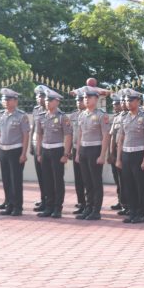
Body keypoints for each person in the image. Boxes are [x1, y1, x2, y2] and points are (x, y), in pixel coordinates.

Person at [116, 89, 144, 224]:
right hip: (126, 154)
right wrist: (118, 158)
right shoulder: (124, 117)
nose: (128, 103)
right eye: (126, 100)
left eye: (131, 100)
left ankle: (141, 213)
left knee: (140, 186)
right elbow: (121, 139)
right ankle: (132, 212)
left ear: (138, 101)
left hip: (139, 155)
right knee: (128, 186)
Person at [73, 86, 110, 221]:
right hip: (83, 150)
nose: (86, 100)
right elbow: (80, 135)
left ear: (96, 99)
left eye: (89, 97)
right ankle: (88, 208)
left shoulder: (101, 115)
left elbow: (106, 135)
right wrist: (77, 153)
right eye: (84, 98)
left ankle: (96, 210)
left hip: (95, 150)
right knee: (86, 182)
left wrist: (102, 155)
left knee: (96, 182)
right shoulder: (82, 115)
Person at [35, 88, 72, 219]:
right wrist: (38, 152)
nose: (47, 102)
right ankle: (49, 206)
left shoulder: (62, 117)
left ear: (57, 102)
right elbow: (39, 134)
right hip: (45, 150)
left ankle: (57, 208)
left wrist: (66, 154)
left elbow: (68, 135)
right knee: (47, 180)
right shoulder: (41, 117)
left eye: (50, 100)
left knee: (57, 180)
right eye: (46, 100)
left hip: (57, 150)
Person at [0, 88, 29, 216]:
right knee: (6, 179)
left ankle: (17, 207)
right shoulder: (0, 115)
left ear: (15, 101)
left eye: (9, 100)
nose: (6, 102)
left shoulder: (21, 116)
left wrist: (23, 153)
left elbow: (25, 135)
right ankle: (9, 205)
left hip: (16, 150)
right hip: (3, 150)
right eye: (4, 100)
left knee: (16, 180)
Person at [69, 89, 88, 215]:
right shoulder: (73, 116)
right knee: (78, 179)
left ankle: (89, 203)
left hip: (87, 148)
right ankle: (81, 203)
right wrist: (70, 149)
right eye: (77, 101)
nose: (78, 103)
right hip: (76, 148)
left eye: (80, 101)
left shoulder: (90, 114)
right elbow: (70, 134)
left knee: (87, 179)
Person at [30, 85, 48, 212]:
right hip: (37, 145)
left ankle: (50, 200)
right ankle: (43, 199)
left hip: (47, 146)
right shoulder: (36, 110)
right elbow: (33, 129)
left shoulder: (50, 110)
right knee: (40, 176)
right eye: (37, 96)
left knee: (48, 176)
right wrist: (32, 145)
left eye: (41, 96)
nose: (39, 98)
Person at [109, 93, 126, 212]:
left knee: (126, 180)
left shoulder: (130, 116)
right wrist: (111, 154)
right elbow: (112, 137)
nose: (115, 107)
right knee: (118, 180)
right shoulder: (117, 118)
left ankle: (127, 203)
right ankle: (121, 201)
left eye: (117, 104)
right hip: (116, 152)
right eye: (114, 105)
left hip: (127, 151)